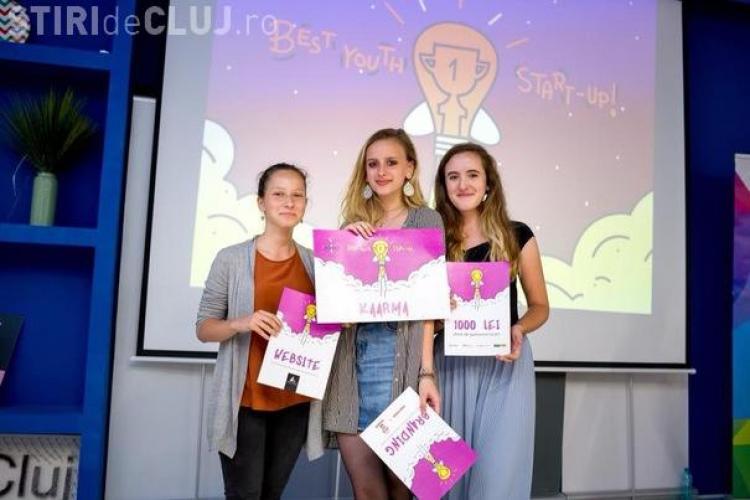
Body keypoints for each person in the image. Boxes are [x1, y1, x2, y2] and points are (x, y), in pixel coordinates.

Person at [324, 128, 442, 499]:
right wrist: (345, 245)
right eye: (373, 164)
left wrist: (426, 373)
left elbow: (429, 305)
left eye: (391, 162)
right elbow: (337, 308)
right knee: (367, 492)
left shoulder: (426, 221)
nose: (381, 171)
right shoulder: (351, 225)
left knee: (403, 489)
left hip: (402, 366)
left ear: (410, 169)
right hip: (352, 367)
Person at [196, 163, 324, 500]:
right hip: (246, 402)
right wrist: (241, 322)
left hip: (295, 402)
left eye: (297, 195)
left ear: (306, 204)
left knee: (271, 495)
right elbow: (204, 329)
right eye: (278, 194)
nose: (289, 202)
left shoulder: (316, 264)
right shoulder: (231, 260)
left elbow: (330, 325)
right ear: (261, 203)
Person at [433, 143, 549, 500]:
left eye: (472, 175)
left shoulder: (517, 235)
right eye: (453, 176)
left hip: (504, 365)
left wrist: (519, 328)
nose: (463, 184)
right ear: (444, 186)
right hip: (448, 366)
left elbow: (540, 306)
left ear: (488, 184)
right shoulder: (433, 241)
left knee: (496, 480)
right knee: (447, 479)